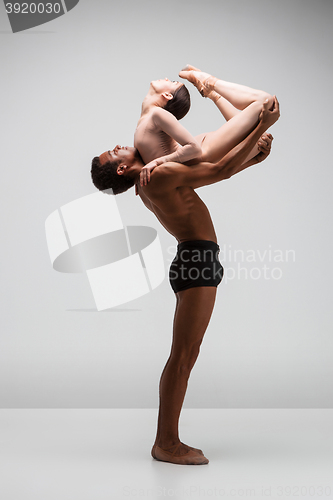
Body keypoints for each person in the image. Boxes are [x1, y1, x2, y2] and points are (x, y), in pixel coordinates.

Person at [90, 94, 280, 464]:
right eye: (111, 153)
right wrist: (261, 125)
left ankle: (167, 441)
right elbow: (220, 171)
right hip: (195, 260)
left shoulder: (155, 173)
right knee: (184, 355)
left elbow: (214, 171)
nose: (116, 146)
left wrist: (254, 156)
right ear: (119, 171)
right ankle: (166, 443)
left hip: (197, 258)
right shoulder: (156, 175)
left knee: (186, 354)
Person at [93, 66, 276, 188]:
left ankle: (211, 93)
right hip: (207, 152)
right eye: (173, 82)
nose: (166, 78)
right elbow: (195, 151)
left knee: (261, 132)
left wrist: (255, 160)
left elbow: (217, 172)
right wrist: (156, 163)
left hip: (210, 152)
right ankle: (210, 83)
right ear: (167, 95)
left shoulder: (148, 121)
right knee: (267, 103)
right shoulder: (156, 115)